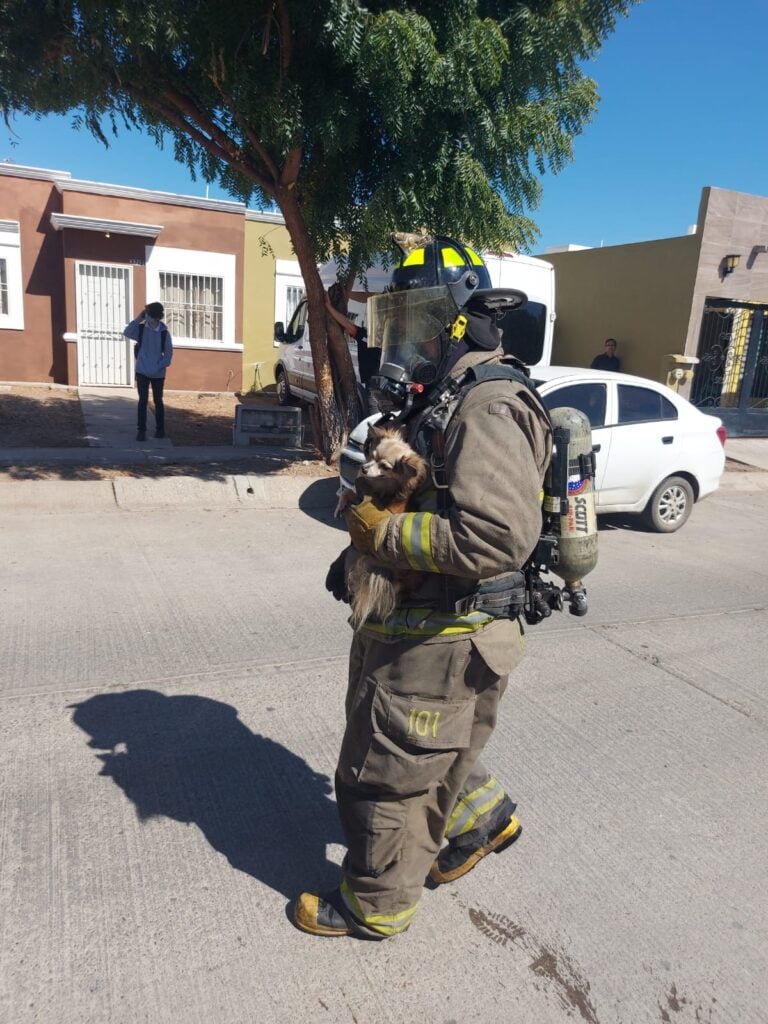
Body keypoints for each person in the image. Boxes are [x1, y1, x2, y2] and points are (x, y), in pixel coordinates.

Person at [294, 237, 553, 939]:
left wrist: (383, 538)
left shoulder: (489, 405)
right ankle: (480, 823)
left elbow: (498, 537)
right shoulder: (445, 396)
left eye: (422, 317)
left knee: (384, 778)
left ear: (465, 318)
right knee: (429, 756)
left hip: (445, 635)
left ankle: (375, 908)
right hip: (435, 629)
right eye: (397, 318)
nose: (405, 336)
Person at [324, 288, 381, 413]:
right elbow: (346, 324)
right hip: (374, 385)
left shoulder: (392, 337)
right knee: (375, 420)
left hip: (388, 385)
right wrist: (329, 306)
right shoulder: (366, 335)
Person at [123, 302, 173, 441]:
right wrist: (139, 318)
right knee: (142, 400)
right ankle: (141, 431)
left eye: (148, 314)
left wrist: (157, 367)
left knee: (158, 400)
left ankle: (160, 430)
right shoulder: (141, 329)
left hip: (158, 373)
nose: (147, 316)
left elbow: (168, 357)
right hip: (142, 371)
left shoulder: (164, 334)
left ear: (156, 316)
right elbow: (127, 332)